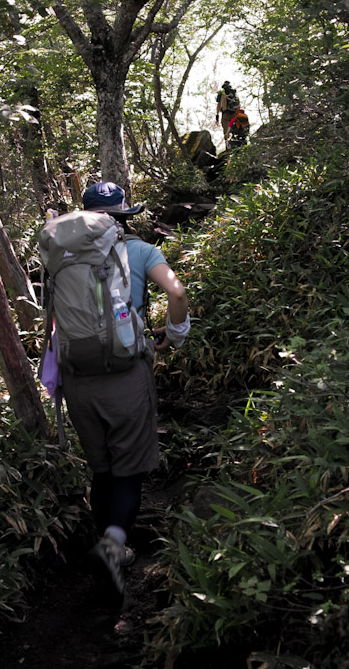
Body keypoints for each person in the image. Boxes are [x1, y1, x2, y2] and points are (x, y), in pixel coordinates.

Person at [61, 181, 190, 604]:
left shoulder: (61, 254)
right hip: (126, 375)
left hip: (77, 378)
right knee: (128, 470)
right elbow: (175, 290)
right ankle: (114, 545)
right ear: (122, 215)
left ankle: (106, 542)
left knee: (102, 471)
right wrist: (175, 333)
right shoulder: (140, 250)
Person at [215, 81, 240, 145]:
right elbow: (238, 105)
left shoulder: (221, 94)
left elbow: (219, 105)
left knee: (226, 132)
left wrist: (217, 116)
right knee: (234, 130)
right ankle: (235, 145)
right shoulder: (234, 94)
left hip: (225, 114)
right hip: (234, 114)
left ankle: (228, 146)